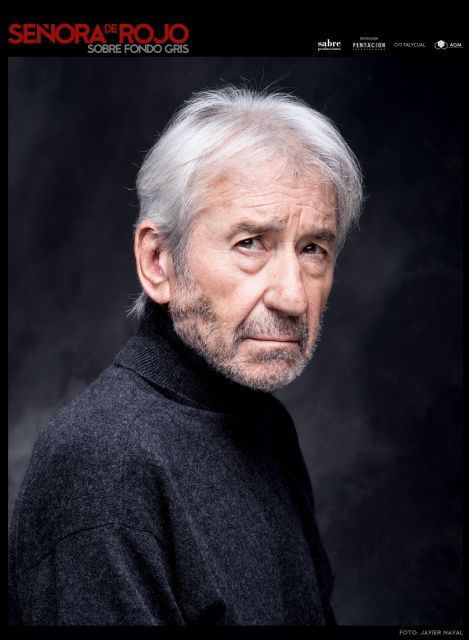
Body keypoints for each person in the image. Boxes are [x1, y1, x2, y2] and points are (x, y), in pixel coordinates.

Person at [8, 85, 363, 625]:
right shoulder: (102, 461)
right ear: (158, 261)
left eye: (313, 248)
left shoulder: (265, 424)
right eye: (250, 243)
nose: (293, 297)